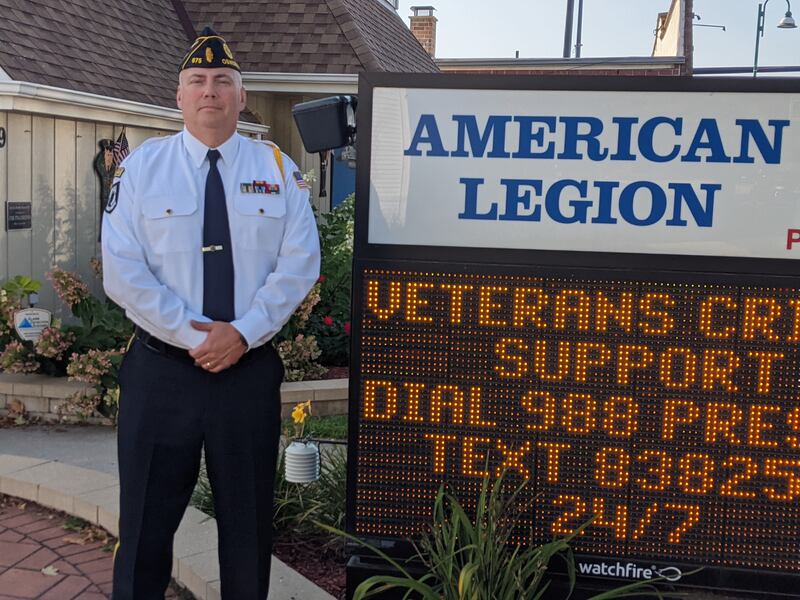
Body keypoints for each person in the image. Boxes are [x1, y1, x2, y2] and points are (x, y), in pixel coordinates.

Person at [101, 26, 320, 599]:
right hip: (161, 371)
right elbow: (122, 271)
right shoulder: (142, 169)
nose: (210, 91)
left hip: (246, 374)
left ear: (241, 96)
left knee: (248, 530)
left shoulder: (277, 169)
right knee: (145, 526)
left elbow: (299, 263)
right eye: (197, 80)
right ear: (178, 96)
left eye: (223, 81)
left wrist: (242, 334)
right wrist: (195, 335)